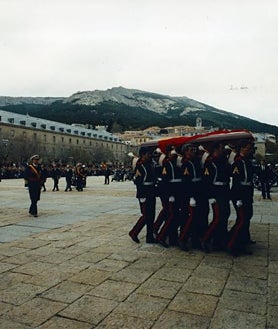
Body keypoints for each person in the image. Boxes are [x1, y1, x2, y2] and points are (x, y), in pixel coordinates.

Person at [200, 142, 231, 252]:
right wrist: (211, 196)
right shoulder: (210, 163)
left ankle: (219, 240)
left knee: (225, 216)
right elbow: (207, 181)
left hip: (224, 193)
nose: (223, 150)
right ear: (216, 149)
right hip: (215, 193)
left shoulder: (222, 161)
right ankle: (205, 239)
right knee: (217, 218)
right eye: (222, 147)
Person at [227, 140, 255, 256]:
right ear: (242, 149)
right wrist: (238, 198)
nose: (249, 150)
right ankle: (232, 244)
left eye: (250, 148)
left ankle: (242, 241)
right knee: (242, 220)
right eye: (247, 148)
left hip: (247, 194)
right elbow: (236, 180)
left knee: (247, 216)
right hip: (240, 195)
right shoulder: (238, 162)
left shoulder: (246, 161)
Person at [129, 146, 157, 244]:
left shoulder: (151, 164)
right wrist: (141, 196)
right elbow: (138, 182)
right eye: (148, 154)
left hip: (151, 192)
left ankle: (149, 237)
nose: (150, 155)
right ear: (143, 155)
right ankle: (134, 232)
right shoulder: (140, 166)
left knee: (151, 216)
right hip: (144, 193)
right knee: (146, 216)